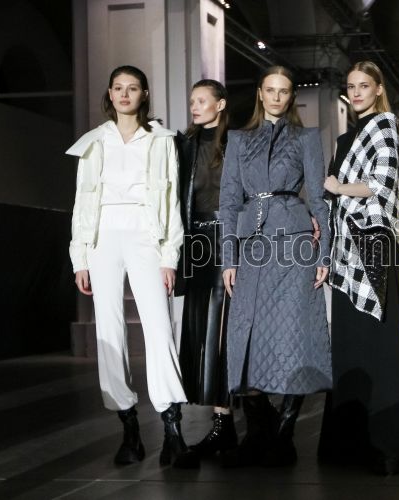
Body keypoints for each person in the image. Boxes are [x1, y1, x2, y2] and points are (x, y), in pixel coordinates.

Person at [67, 65, 188, 466]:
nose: (124, 94)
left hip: (145, 235)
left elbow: (170, 200)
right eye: (118, 87)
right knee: (110, 330)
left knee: (159, 328)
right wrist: (80, 257)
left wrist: (169, 256)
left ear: (144, 94)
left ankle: (172, 428)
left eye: (132, 88)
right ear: (109, 93)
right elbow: (82, 201)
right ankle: (129, 427)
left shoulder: (161, 139)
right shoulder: (95, 141)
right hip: (103, 237)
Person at [219, 65, 332, 467]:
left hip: (294, 245)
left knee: (294, 337)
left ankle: (284, 434)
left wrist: (324, 254)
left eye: (284, 91)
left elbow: (318, 198)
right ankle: (256, 433)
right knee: (245, 340)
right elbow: (228, 202)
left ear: (291, 96)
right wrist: (228, 258)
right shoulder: (238, 139)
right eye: (271, 90)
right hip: (251, 245)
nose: (277, 97)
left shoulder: (306, 138)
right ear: (260, 93)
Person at [319, 61, 399, 475]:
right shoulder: (344, 139)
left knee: (379, 341)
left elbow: (384, 183)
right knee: (350, 342)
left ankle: (390, 441)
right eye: (351, 86)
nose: (357, 92)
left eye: (364, 85)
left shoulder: (387, 126)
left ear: (378, 89)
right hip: (345, 246)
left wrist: (339, 187)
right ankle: (350, 442)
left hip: (374, 242)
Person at [171, 79, 234, 468]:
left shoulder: (236, 142)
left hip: (227, 241)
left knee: (222, 333)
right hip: (195, 243)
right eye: (192, 100)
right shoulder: (184, 145)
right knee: (199, 333)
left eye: (202, 100)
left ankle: (225, 423)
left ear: (220, 104)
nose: (194, 106)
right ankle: (221, 425)